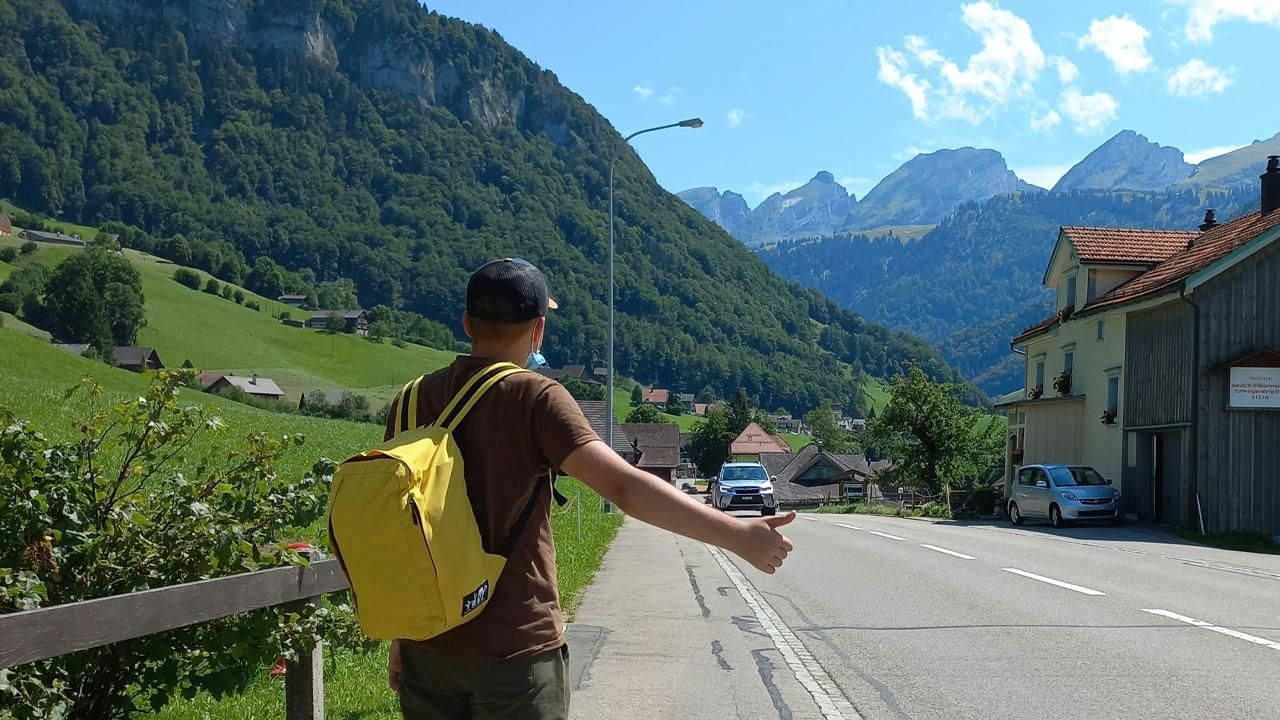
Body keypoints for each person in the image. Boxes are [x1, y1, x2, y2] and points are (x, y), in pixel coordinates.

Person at [386, 258, 795, 720]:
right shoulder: (536, 398)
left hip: (428, 648)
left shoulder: (410, 400)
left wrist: (403, 633)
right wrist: (738, 535)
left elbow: (405, 529)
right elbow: (624, 487)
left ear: (466, 323)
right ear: (538, 330)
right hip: (515, 652)